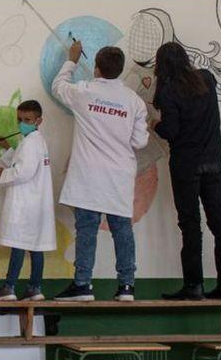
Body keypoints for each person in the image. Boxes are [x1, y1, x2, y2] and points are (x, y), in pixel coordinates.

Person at [51, 40, 148, 302]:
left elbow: (58, 86)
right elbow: (140, 142)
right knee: (122, 230)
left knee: (87, 229)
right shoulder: (134, 101)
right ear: (120, 70)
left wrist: (71, 59)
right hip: (120, 174)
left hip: (88, 174)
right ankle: (126, 286)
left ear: (96, 68)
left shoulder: (84, 92)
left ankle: (83, 284)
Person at [152, 42, 221, 300]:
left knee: (190, 224)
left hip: (186, 164)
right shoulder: (207, 79)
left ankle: (194, 285)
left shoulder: (168, 91)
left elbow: (171, 131)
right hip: (213, 161)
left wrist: (156, 124)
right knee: (219, 221)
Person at [0, 100, 56, 302]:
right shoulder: (36, 141)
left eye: (27, 120)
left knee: (17, 243)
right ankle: (35, 288)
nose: (21, 123)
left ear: (38, 120)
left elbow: (22, 172)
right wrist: (8, 149)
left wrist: (1, 172)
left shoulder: (30, 143)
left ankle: (9, 287)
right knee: (35, 246)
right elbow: (23, 163)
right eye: (19, 119)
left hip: (26, 204)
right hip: (36, 203)